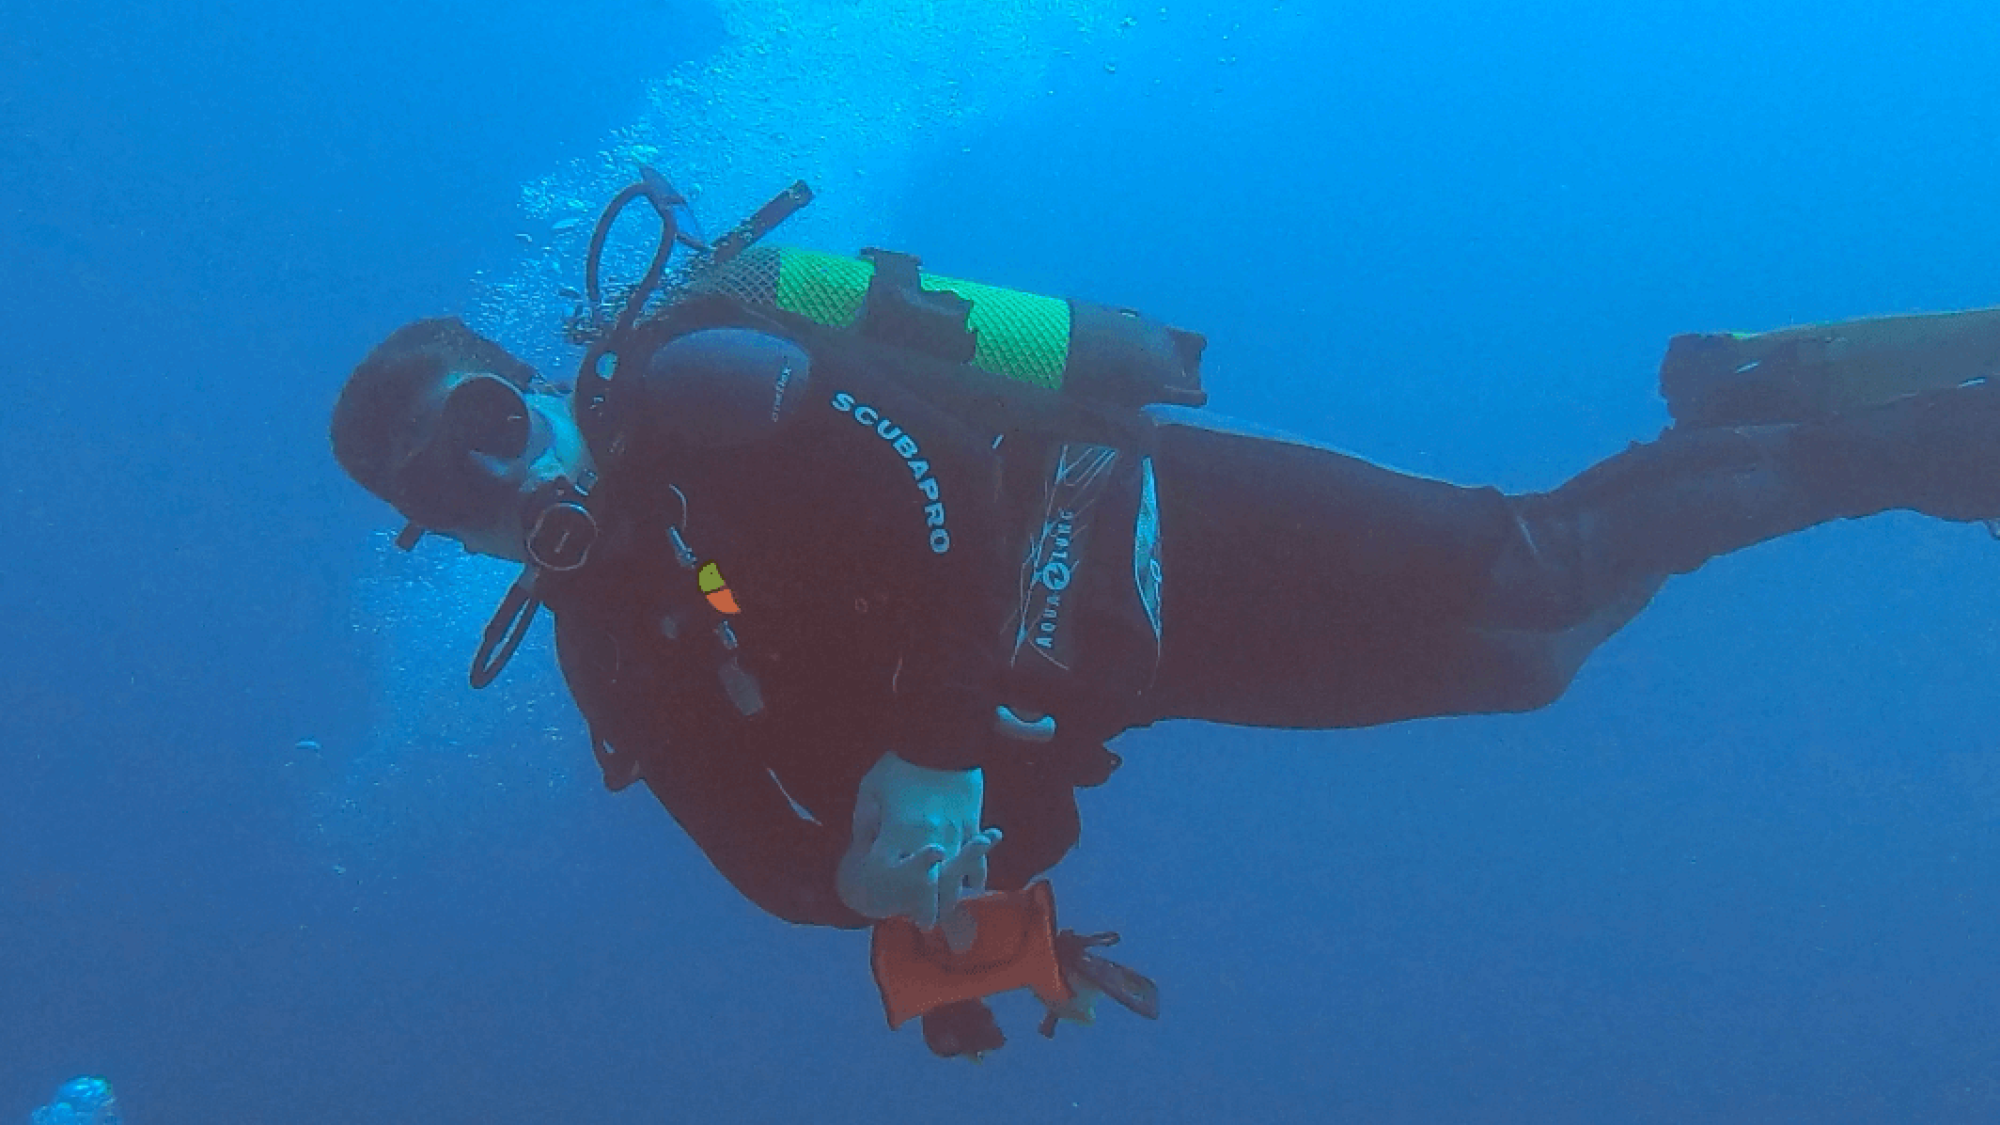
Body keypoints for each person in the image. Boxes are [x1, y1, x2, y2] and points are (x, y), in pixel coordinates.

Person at [329, 173, 2000, 1057]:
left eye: (488, 422)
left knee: (1538, 568)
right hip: (1139, 667)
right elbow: (761, 858)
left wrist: (919, 755)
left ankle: (1921, 444)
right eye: (448, 490)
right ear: (436, 536)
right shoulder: (610, 643)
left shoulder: (696, 380)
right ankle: (1737, 415)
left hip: (1129, 513)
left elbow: (932, 472)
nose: (498, 476)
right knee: (1532, 664)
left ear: (528, 379)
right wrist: (930, 924)